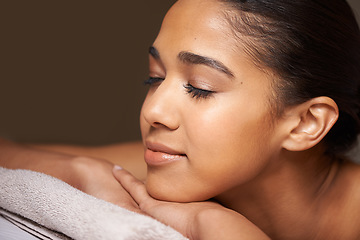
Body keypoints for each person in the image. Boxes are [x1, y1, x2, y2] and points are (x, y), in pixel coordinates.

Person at [1, 0, 360, 239]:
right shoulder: (160, 168)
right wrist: (80, 171)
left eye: (201, 88)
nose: (152, 111)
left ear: (305, 123)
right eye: (154, 77)